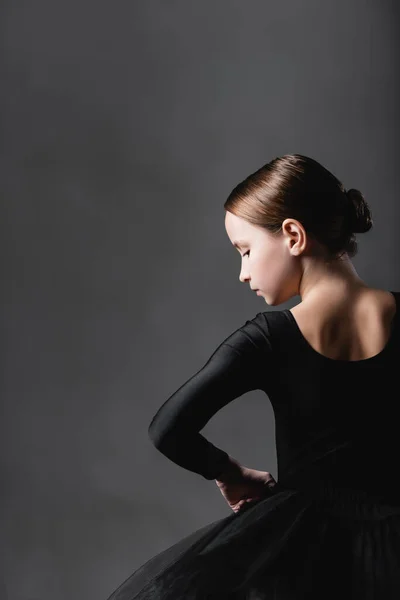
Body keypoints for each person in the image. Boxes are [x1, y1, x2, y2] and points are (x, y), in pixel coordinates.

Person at [105, 154, 400, 599]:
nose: (243, 272)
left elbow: (168, 429)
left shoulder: (268, 338)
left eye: (245, 251)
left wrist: (229, 472)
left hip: (310, 557)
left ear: (293, 235)